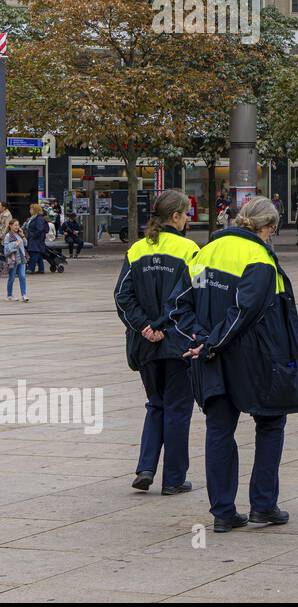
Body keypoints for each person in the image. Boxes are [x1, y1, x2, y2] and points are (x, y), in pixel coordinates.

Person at [168, 196, 298, 533]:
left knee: (219, 429)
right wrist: (210, 343)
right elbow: (244, 312)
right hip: (254, 360)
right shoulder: (259, 258)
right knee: (270, 424)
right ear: (268, 228)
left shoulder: (204, 252)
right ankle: (263, 505)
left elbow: (178, 305)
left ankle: (223, 512)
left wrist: (199, 340)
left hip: (211, 359)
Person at [114, 190, 200, 495]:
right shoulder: (189, 249)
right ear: (174, 217)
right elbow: (191, 297)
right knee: (178, 409)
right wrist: (163, 326)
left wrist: (145, 327)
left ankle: (146, 467)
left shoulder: (137, 249)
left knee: (156, 405)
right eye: (186, 213)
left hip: (145, 344)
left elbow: (122, 296)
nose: (189, 218)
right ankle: (175, 479)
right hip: (178, 343)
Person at [4, 217, 29, 301]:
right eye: (15, 225)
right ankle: (9, 295)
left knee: (22, 276)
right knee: (12, 278)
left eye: (18, 225)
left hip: (22, 258)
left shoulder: (19, 234)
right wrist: (15, 244)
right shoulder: (8, 236)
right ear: (10, 226)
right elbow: (6, 249)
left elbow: (25, 244)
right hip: (13, 259)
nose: (17, 227)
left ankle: (24, 295)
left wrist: (22, 235)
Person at [24, 203, 48, 275]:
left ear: (35, 210)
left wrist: (33, 236)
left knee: (34, 253)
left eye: (31, 209)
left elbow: (40, 229)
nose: (30, 210)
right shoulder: (34, 217)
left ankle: (31, 269)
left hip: (36, 239)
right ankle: (41, 269)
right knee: (38, 254)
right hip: (34, 238)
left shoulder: (38, 218)